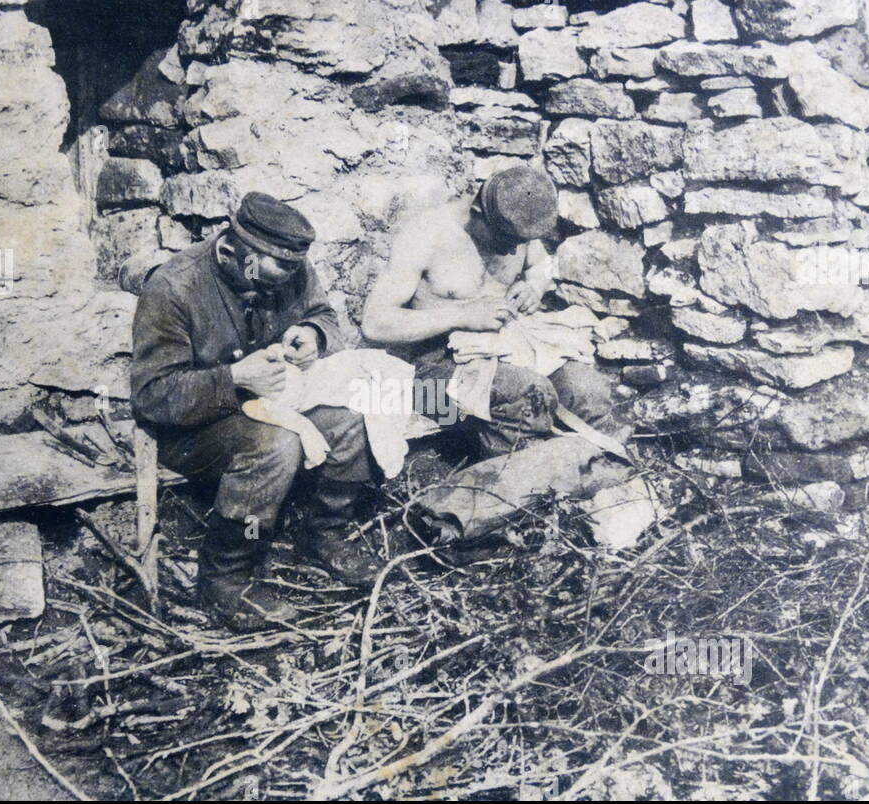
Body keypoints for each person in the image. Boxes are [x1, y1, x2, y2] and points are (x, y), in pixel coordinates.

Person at [130, 192, 379, 632]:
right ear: (230, 253)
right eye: (273, 275)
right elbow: (153, 396)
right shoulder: (174, 287)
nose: (287, 281)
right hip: (195, 429)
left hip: (273, 404)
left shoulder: (289, 267)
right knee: (276, 445)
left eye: (292, 270)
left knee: (349, 419)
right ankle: (228, 575)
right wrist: (234, 379)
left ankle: (323, 532)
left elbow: (323, 313)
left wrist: (312, 333)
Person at [360, 165, 619, 457]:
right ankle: (520, 492)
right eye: (506, 243)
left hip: (509, 350)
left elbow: (542, 265)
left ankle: (592, 475)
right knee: (525, 394)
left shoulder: (513, 226)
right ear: (478, 214)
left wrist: (534, 286)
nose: (512, 253)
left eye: (519, 245)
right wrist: (461, 315)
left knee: (587, 389)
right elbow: (375, 323)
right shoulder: (427, 234)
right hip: (430, 379)